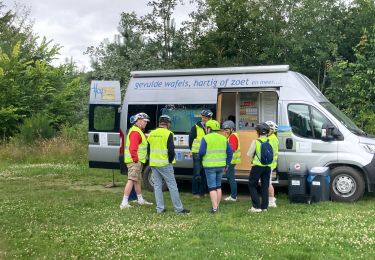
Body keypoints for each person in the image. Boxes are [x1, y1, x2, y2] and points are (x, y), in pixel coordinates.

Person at [147, 115, 190, 214]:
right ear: (168, 124)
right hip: (165, 163)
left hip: (153, 163)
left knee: (157, 186)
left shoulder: (151, 133)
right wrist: (170, 161)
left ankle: (160, 209)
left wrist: (151, 159)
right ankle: (179, 209)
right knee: (172, 186)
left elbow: (148, 150)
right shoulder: (168, 133)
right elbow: (171, 151)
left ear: (159, 123)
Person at [120, 112, 153, 209]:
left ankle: (140, 200)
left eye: (146, 121)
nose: (146, 123)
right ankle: (124, 202)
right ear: (138, 121)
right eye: (144, 121)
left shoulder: (138, 131)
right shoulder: (135, 132)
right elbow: (132, 148)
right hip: (134, 161)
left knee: (137, 180)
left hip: (137, 161)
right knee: (131, 180)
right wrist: (135, 160)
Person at [199, 119, 233, 213]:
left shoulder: (205, 138)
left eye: (206, 127)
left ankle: (214, 209)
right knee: (218, 186)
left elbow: (201, 152)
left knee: (212, 187)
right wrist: (227, 163)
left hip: (209, 166)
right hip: (221, 166)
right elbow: (230, 152)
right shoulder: (223, 138)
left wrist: (199, 157)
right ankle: (217, 206)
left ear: (209, 129)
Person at [246, 123, 272, 213]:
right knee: (265, 186)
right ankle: (264, 207)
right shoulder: (270, 140)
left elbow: (249, 154)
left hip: (257, 166)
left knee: (252, 185)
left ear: (258, 132)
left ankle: (256, 207)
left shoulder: (256, 141)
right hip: (268, 166)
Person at [189, 109, 212, 198]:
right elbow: (190, 140)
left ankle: (202, 193)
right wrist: (192, 151)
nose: (205, 119)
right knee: (197, 173)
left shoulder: (210, 127)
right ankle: (195, 193)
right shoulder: (195, 127)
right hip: (197, 154)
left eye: (206, 117)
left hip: (207, 154)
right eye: (203, 117)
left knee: (204, 173)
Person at [222, 120, 241, 202]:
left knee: (231, 178)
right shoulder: (231, 136)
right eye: (224, 130)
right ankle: (233, 196)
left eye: (227, 129)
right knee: (230, 177)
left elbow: (231, 149)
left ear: (232, 129)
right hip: (232, 160)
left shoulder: (233, 136)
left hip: (231, 161)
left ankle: (233, 196)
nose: (225, 131)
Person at [265, 121, 279, 208]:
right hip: (269, 164)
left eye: (269, 129)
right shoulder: (271, 137)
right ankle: (270, 198)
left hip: (269, 164)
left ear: (272, 130)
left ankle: (272, 201)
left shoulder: (272, 139)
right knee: (267, 182)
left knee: (267, 183)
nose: (267, 131)